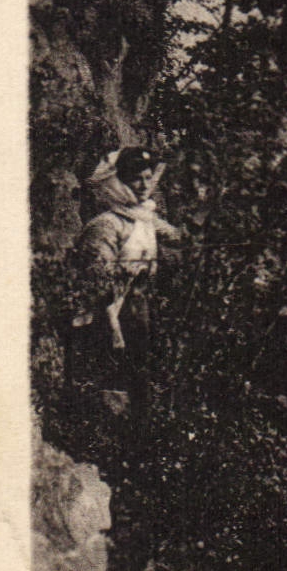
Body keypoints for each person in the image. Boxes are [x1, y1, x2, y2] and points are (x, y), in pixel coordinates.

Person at [65, 147, 180, 421]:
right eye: (136, 179)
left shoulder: (144, 217)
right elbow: (97, 282)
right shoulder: (107, 224)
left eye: (148, 178)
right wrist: (114, 329)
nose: (144, 186)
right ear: (120, 183)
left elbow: (178, 236)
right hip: (107, 315)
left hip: (136, 310)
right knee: (110, 386)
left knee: (140, 383)